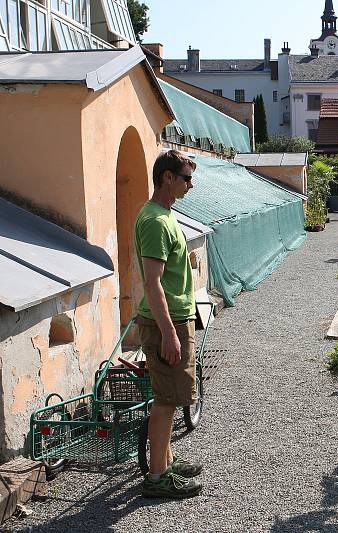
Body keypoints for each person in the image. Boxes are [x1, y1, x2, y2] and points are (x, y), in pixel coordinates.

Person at [134, 150, 202, 499]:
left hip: (174, 317)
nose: (190, 184)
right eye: (185, 178)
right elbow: (152, 283)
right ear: (167, 178)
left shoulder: (162, 214)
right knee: (166, 401)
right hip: (168, 321)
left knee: (171, 397)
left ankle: (166, 462)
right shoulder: (156, 222)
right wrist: (170, 333)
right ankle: (157, 476)